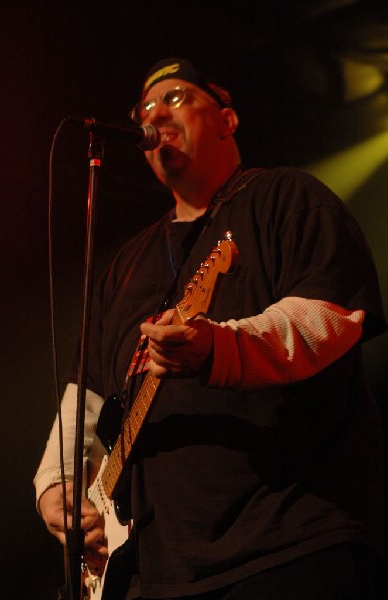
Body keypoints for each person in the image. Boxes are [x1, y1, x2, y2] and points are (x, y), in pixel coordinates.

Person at [35, 57, 387, 599]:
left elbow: (331, 315)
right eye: (145, 108)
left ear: (227, 118)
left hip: (287, 542)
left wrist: (221, 348)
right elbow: (84, 394)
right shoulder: (124, 267)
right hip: (150, 571)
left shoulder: (286, 197)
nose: (155, 114)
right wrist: (56, 484)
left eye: (175, 98)